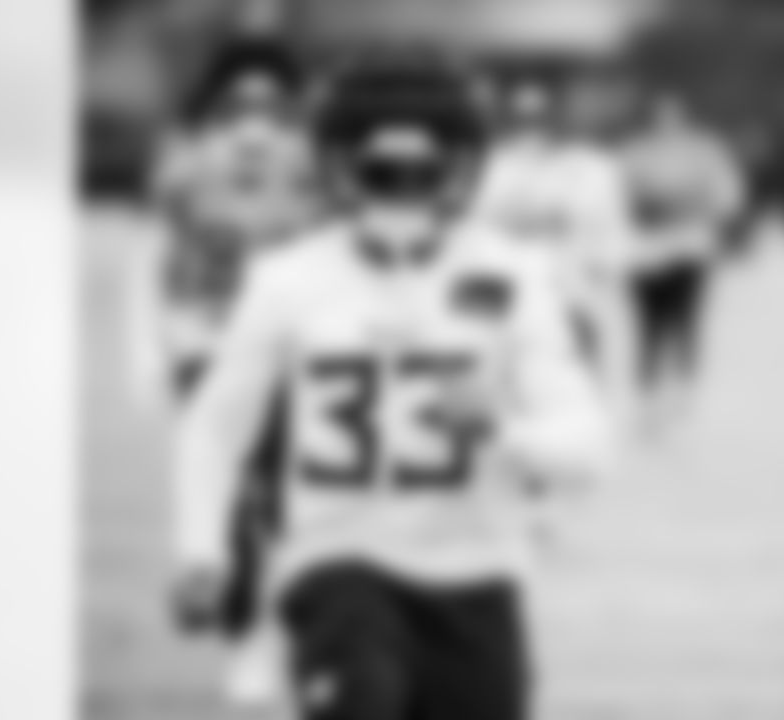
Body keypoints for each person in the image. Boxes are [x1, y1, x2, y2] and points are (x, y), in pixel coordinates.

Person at [169, 57, 612, 720]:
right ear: (337, 169)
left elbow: (587, 443)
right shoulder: (289, 280)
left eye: (422, 172)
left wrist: (502, 427)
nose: (401, 191)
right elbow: (215, 426)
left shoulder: (514, 277)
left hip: (477, 569)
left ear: (460, 171)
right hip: (338, 558)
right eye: (381, 172)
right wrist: (201, 548)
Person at [134, 34, 322, 701]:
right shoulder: (186, 170)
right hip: (211, 346)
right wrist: (164, 348)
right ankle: (243, 633)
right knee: (232, 504)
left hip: (290, 351)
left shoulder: (315, 169)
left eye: (269, 103)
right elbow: (168, 266)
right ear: (215, 106)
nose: (254, 118)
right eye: (238, 102)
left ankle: (300, 627)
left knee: (291, 502)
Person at [467, 77, 639, 426]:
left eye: (539, 118)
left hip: (568, 291)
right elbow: (469, 225)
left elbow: (609, 226)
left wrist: (608, 267)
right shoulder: (487, 167)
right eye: (523, 118)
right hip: (500, 294)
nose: (532, 128)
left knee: (574, 375)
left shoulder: (589, 168)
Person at [620, 95, 746, 432]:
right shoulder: (636, 152)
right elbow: (616, 197)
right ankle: (647, 393)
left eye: (672, 116)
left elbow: (728, 196)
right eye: (659, 116)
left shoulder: (705, 151)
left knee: (685, 320)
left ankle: (683, 386)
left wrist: (695, 208)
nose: (666, 123)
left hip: (690, 247)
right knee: (649, 325)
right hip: (646, 250)